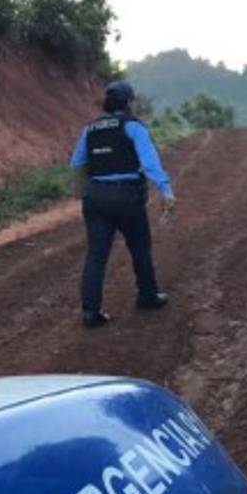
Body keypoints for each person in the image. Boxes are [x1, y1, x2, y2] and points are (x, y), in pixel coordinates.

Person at [70, 79, 175, 328]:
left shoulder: (90, 129)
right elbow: (149, 163)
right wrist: (166, 190)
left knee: (96, 254)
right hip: (127, 196)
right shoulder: (133, 127)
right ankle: (147, 295)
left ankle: (90, 311)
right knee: (139, 246)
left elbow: (76, 164)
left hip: (95, 197)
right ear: (128, 103)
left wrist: (84, 194)